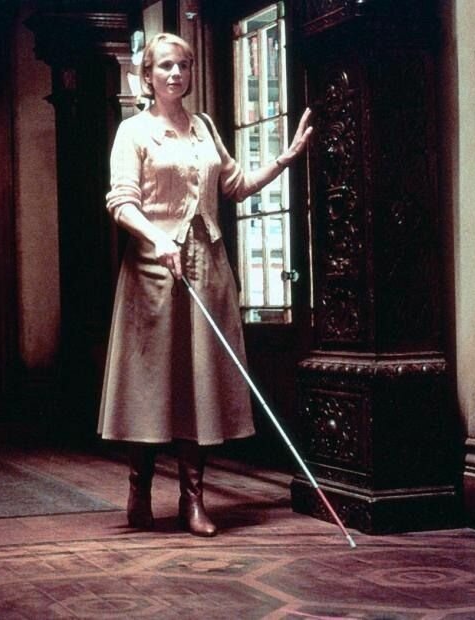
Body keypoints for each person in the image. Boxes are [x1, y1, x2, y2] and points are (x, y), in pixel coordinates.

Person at [97, 33, 313, 537]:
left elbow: (235, 186)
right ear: (148, 76)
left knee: (199, 380)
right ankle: (139, 488)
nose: (176, 73)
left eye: (184, 65)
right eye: (166, 66)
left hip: (207, 266)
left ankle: (192, 499)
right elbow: (121, 202)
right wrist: (158, 238)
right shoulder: (133, 131)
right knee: (151, 381)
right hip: (153, 271)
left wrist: (284, 159)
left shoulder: (205, 128)